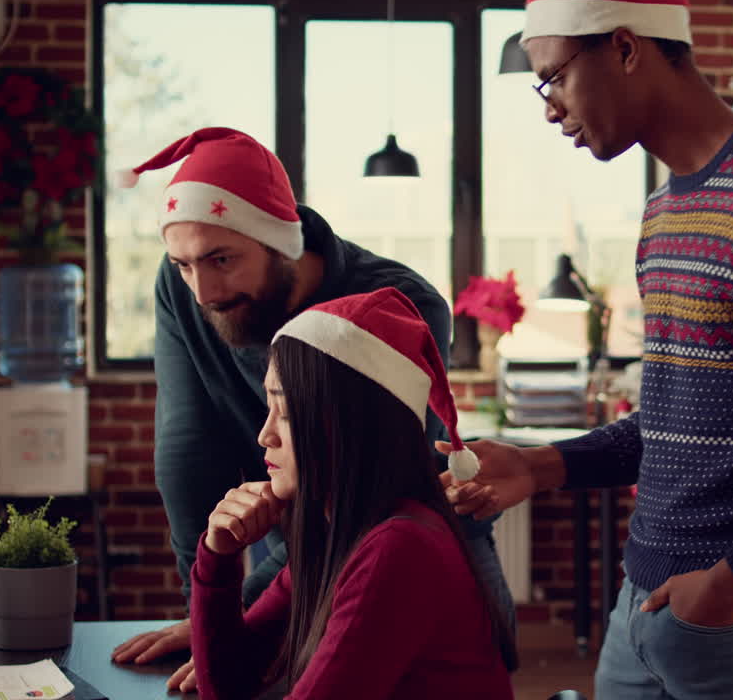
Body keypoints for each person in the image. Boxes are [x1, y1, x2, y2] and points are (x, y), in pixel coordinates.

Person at [442, 0, 733, 697]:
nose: (549, 107)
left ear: (625, 48)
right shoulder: (666, 208)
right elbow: (679, 421)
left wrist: (729, 584)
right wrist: (540, 467)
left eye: (554, 76)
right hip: (648, 611)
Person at [107, 128, 513, 693]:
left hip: (391, 533)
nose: (202, 293)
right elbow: (188, 445)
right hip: (325, 526)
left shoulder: (401, 303)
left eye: (222, 259)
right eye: (183, 266)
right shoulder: (325, 545)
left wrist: (241, 609)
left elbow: (387, 471)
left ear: (282, 245)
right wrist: (212, 581)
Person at [189, 287, 517, 699]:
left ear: (353, 425)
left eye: (285, 411)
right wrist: (218, 557)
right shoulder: (338, 534)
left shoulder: (400, 547)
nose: (265, 435)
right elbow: (229, 686)